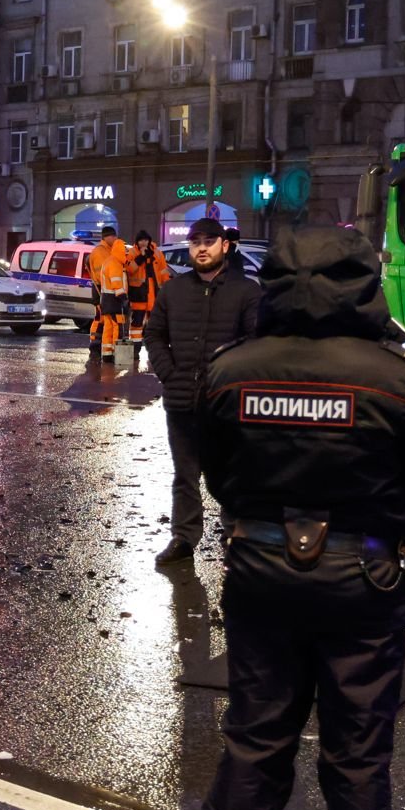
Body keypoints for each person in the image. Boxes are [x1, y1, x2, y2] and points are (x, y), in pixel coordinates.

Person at [195, 224, 405, 810]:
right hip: (364, 580)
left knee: (256, 731)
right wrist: (369, 514)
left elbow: (216, 470)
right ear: (363, 286)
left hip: (261, 573)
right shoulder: (394, 375)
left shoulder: (229, 369)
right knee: (357, 748)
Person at [145, 217, 261, 564]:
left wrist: (231, 384)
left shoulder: (246, 291)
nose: (202, 248)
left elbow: (255, 344)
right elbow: (154, 335)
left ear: (225, 246)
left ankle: (235, 536)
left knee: (230, 474)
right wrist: (169, 373)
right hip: (181, 402)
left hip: (225, 405)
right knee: (185, 475)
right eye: (196, 242)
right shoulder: (173, 290)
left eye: (210, 242)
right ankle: (183, 538)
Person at [86, 225, 132, 363]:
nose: (115, 238)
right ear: (107, 237)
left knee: (106, 323)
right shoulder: (101, 253)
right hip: (103, 292)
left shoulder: (109, 251)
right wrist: (120, 295)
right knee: (102, 322)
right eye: (114, 236)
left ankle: (105, 351)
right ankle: (95, 348)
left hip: (104, 293)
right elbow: (105, 278)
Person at [126, 229, 169, 369]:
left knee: (154, 324)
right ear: (137, 242)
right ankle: (135, 350)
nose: (143, 243)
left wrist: (166, 287)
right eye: (141, 240)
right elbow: (130, 269)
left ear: (149, 241)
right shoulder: (132, 252)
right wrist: (141, 258)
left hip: (154, 292)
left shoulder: (157, 253)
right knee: (137, 323)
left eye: (146, 240)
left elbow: (163, 271)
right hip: (139, 293)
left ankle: (155, 351)